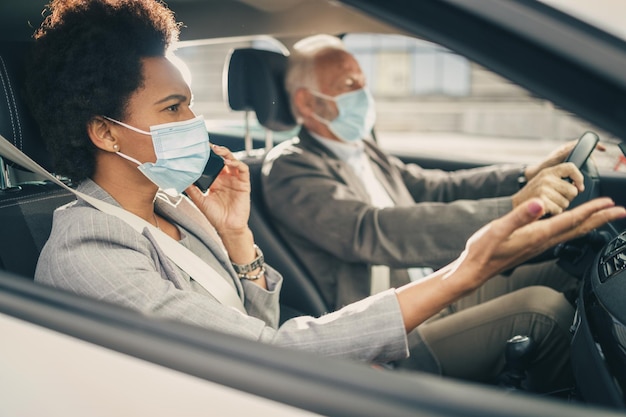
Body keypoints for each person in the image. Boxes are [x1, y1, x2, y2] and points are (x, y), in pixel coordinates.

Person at [25, 0, 624, 393]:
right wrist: (467, 269)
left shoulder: (174, 208)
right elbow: (265, 355)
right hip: (284, 383)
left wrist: (239, 243)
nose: (196, 124)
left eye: (192, 103)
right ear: (104, 130)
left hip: (289, 370)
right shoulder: (89, 254)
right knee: (543, 310)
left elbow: (247, 324)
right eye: (174, 108)